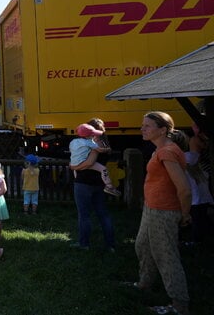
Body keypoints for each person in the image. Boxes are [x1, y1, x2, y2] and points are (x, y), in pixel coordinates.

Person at [129, 111, 192, 315]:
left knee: (167, 257)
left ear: (163, 130)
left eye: (147, 126)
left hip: (164, 212)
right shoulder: (160, 150)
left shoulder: (166, 152)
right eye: (143, 125)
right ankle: (144, 284)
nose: (142, 128)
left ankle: (179, 305)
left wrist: (185, 214)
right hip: (152, 208)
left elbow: (184, 188)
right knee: (143, 246)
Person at [69, 118, 117, 252]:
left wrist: (75, 167)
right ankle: (110, 244)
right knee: (103, 214)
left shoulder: (94, 145)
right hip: (98, 184)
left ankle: (84, 244)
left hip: (84, 183)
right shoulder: (104, 144)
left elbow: (89, 163)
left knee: (84, 215)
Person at [70, 123, 121, 196]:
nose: (94, 136)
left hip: (75, 162)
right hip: (84, 163)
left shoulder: (74, 142)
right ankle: (109, 186)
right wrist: (107, 149)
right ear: (88, 136)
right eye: (92, 135)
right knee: (103, 169)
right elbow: (99, 151)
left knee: (76, 171)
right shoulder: (90, 143)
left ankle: (76, 178)